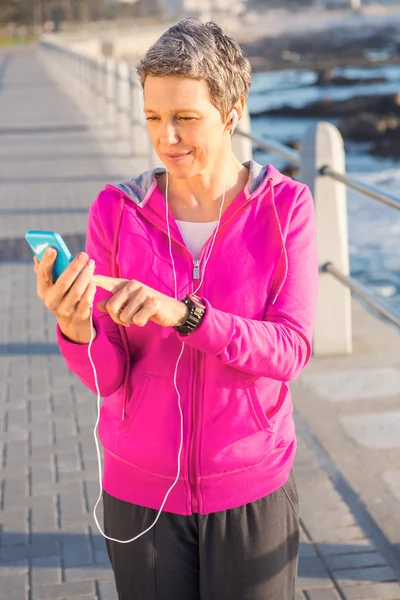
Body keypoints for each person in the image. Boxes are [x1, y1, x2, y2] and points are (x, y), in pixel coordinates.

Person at [34, 18, 318, 600]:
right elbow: (107, 377)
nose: (167, 138)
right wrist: (74, 325)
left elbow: (290, 350)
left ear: (233, 110)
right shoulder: (117, 211)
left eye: (186, 118)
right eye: (153, 119)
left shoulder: (285, 208)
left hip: (250, 492)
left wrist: (186, 315)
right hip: (139, 497)